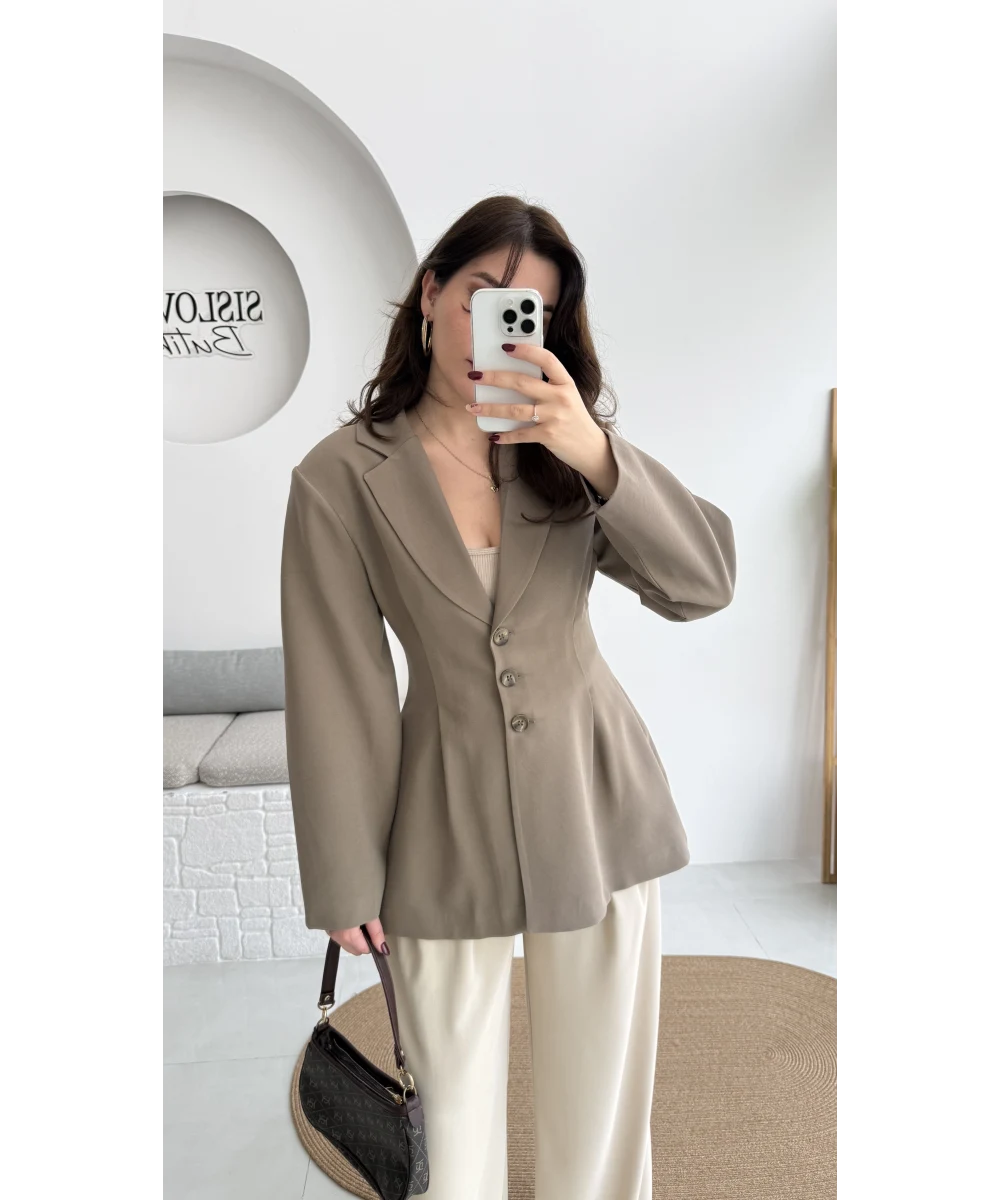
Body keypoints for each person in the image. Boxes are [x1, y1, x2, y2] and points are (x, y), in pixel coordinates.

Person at [280, 195, 737, 1200]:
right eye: (482, 295)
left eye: (528, 308)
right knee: (448, 1127)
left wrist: (594, 452)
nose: (497, 324)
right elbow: (339, 685)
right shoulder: (339, 477)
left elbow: (703, 584)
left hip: (594, 800)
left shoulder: (568, 450)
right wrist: (345, 877)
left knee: (599, 1112)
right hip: (442, 822)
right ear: (430, 295)